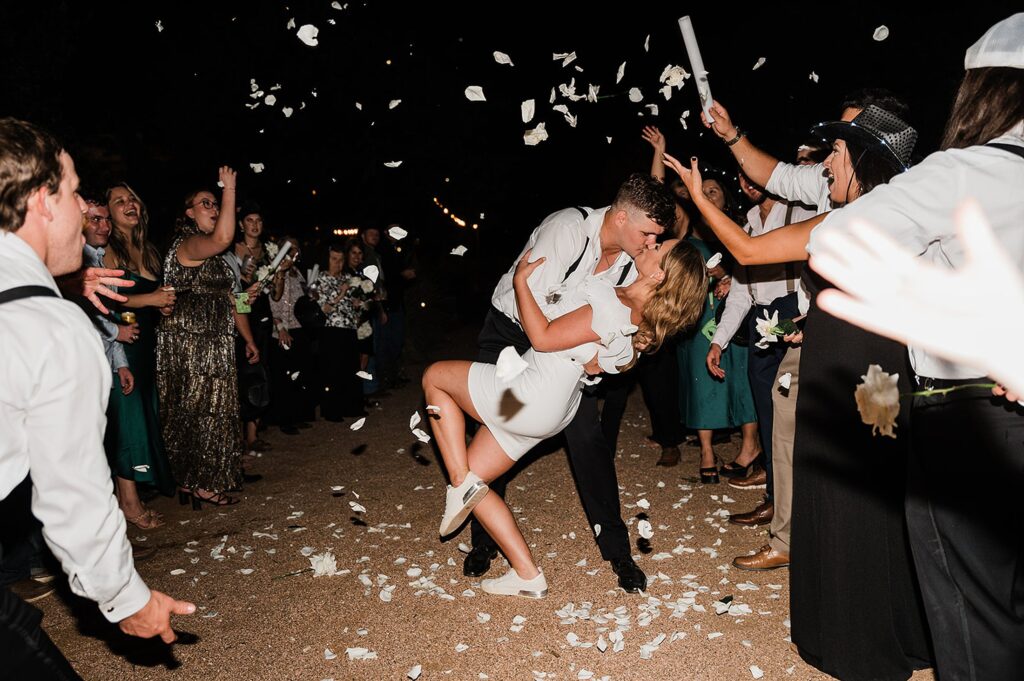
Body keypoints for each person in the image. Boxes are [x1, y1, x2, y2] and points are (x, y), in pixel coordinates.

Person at [665, 102, 934, 681]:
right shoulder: (907, 216)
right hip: (883, 374)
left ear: (863, 159)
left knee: (843, 494)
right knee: (877, 491)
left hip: (845, 371)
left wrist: (700, 198)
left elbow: (747, 251)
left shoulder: (850, 220)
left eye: (836, 152)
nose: (826, 164)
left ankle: (857, 643)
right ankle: (902, 632)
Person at [806, 15, 1024, 677]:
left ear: (983, 90)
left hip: (974, 410)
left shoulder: (966, 172)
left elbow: (832, 240)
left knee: (974, 604)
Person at [0, 117, 194, 676]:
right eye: (76, 190)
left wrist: (59, 281)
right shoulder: (54, 329)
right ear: (43, 200)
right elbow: (73, 494)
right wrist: (127, 598)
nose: (86, 207)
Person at [423, 239, 705, 597]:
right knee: (477, 482)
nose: (651, 242)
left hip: (528, 394)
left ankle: (459, 482)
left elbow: (540, 338)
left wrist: (520, 284)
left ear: (659, 272)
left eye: (659, 246)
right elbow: (598, 362)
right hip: (555, 408)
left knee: (434, 377)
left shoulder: (613, 304)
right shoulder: (639, 319)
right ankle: (527, 574)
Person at [462, 173, 673, 593]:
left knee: (588, 441)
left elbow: (615, 324)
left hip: (563, 344)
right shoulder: (566, 229)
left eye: (657, 238)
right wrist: (585, 354)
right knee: (496, 426)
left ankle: (619, 553)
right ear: (620, 217)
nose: (652, 244)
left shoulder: (633, 260)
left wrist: (613, 353)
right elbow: (535, 309)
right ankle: (483, 542)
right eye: (648, 233)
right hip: (513, 331)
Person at [158, 168, 259, 509]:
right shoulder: (188, 244)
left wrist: (249, 337)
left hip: (217, 343)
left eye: (216, 203)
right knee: (197, 410)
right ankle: (197, 481)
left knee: (214, 410)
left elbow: (234, 300)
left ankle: (196, 481)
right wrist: (230, 188)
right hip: (189, 344)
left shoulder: (219, 259)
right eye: (206, 204)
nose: (214, 208)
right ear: (188, 213)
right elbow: (221, 237)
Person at [102, 184, 177, 523]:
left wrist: (161, 307)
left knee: (145, 414)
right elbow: (105, 299)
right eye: (119, 201)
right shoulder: (108, 250)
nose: (128, 203)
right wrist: (151, 300)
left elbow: (153, 296)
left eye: (132, 197)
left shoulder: (148, 249)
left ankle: (132, 493)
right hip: (121, 343)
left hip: (147, 343)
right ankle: (128, 503)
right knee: (128, 421)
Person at [315, 239, 371, 421]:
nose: (338, 263)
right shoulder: (321, 278)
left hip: (349, 328)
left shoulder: (346, 278)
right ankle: (332, 410)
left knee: (350, 368)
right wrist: (342, 292)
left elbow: (353, 304)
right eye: (334, 259)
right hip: (331, 329)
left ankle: (352, 406)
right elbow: (326, 305)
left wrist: (357, 304)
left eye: (340, 259)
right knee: (333, 370)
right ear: (327, 259)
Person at [269, 236, 315, 432]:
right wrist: (279, 327)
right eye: (290, 248)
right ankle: (284, 420)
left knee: (298, 374)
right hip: (283, 328)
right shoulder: (276, 269)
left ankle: (297, 415)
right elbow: (273, 300)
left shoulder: (298, 272)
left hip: (299, 327)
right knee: (284, 376)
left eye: (296, 248)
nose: (293, 251)